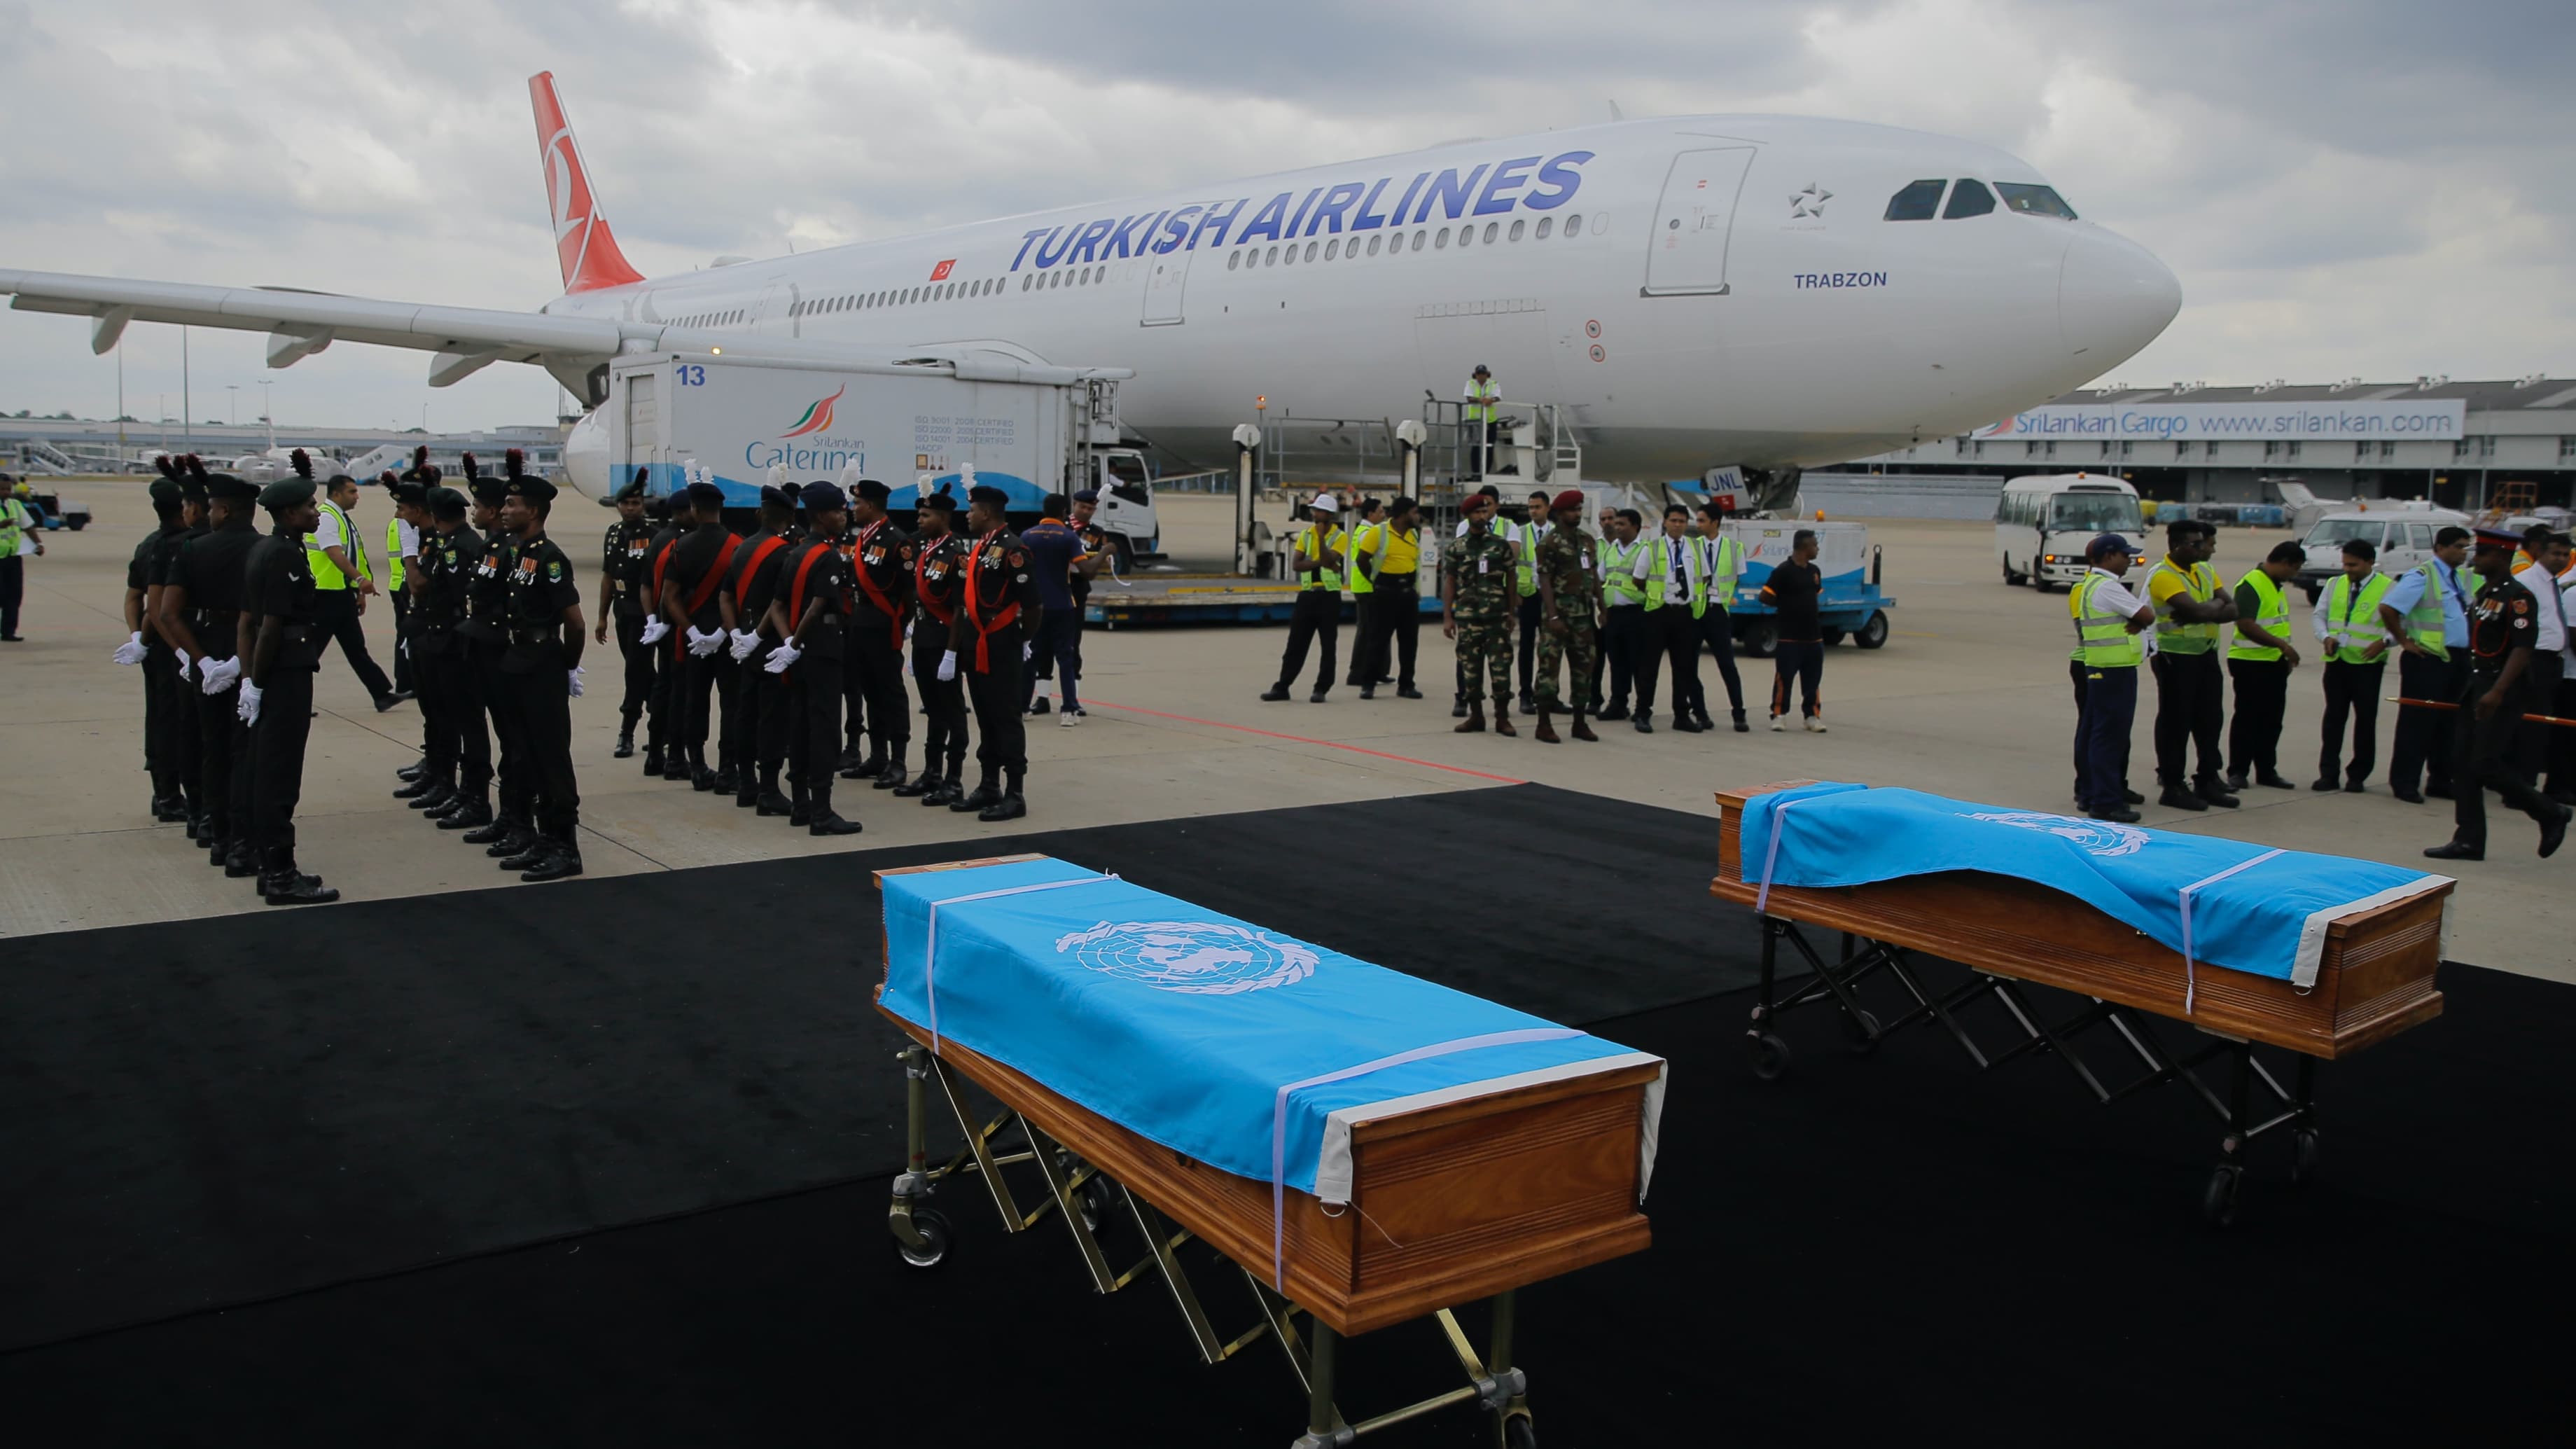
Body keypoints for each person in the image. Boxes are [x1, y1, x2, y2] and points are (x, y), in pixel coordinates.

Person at [2424, 529, 2570, 861]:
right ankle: (2469, 840)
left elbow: (2523, 648)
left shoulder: (2518, 596)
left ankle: (2550, 812)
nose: (2475, 559)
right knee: (2462, 763)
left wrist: (2498, 691)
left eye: (2483, 554)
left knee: (2485, 764)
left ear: (2502, 557)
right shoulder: (2486, 592)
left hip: (2503, 689)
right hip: (2477, 684)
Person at [238, 473, 337, 905]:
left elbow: (247, 622)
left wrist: (250, 680)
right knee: (279, 774)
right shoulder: (282, 555)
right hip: (285, 674)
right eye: (310, 507)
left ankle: (270, 866)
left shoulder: (269, 548)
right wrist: (258, 684)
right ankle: (280, 874)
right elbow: (268, 627)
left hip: (276, 673)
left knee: (268, 770)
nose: (316, 513)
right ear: (288, 513)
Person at [157, 467, 262, 873]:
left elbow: (168, 613)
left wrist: (201, 661)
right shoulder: (266, 549)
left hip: (207, 650)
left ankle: (217, 836)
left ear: (223, 511)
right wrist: (239, 664)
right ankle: (242, 842)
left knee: (212, 748)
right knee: (245, 753)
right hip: (249, 654)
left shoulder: (192, 549)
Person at [492, 464, 586, 881]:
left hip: (542, 663)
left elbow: (575, 624)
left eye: (511, 504)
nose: (504, 510)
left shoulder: (549, 557)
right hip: (519, 661)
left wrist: (566, 667)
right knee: (525, 754)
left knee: (551, 757)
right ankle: (541, 839)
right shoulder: (520, 553)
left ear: (532, 511)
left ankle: (565, 847)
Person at [764, 480, 864, 836]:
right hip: (822, 650)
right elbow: (818, 605)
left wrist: (789, 643)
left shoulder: (795, 553)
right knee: (824, 730)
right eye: (838, 511)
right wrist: (795, 641)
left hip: (800, 655)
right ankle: (821, 811)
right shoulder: (827, 556)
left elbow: (777, 607)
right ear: (821, 516)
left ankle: (800, 805)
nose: (844, 515)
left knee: (800, 726)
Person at [945, 483, 1043, 819]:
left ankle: (1015, 793)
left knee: (1006, 718)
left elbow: (1033, 605)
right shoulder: (984, 546)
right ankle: (989, 785)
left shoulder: (1014, 549)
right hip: (977, 641)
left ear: (986, 513)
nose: (967, 516)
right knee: (986, 716)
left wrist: (1022, 639)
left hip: (1000, 642)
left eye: (972, 510)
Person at [409, 484, 492, 832]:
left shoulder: (462, 547)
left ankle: (473, 795)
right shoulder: (450, 543)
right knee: (444, 715)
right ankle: (448, 783)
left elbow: (461, 599)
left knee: (466, 722)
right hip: (441, 640)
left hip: (455, 645)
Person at [2145, 520, 2239, 810]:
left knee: (2210, 720)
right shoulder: (2164, 575)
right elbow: (2196, 610)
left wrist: (2206, 611)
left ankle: (2207, 779)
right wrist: (2210, 608)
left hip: (2206, 654)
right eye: (2195, 544)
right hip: (2175, 657)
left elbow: (2233, 609)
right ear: (2175, 545)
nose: (2202, 548)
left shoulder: (2204, 570)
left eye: (2202, 543)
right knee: (2176, 723)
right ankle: (2173, 784)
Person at [2378, 525, 2473, 805]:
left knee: (2448, 724)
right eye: (2458, 546)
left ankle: (2440, 780)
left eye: (2466, 547)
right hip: (2427, 660)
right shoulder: (2422, 576)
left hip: (2455, 659)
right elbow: (2388, 608)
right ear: (2440, 548)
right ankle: (2404, 782)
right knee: (2417, 724)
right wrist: (2404, 640)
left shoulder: (2457, 578)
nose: (2463, 552)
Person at [119, 461, 193, 821]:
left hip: (157, 647)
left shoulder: (149, 544)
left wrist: (138, 639)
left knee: (161, 718)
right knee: (180, 722)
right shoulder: (182, 546)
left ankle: (164, 794)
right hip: (182, 646)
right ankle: (171, 797)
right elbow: (158, 609)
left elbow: (134, 599)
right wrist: (183, 651)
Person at [457, 468, 524, 854]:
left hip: (499, 650)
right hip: (481, 646)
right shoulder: (491, 546)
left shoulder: (509, 549)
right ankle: (502, 813)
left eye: (478, 506)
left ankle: (514, 817)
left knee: (511, 739)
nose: (474, 512)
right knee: (491, 730)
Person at [662, 478, 744, 793]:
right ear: (721, 509)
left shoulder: (680, 547)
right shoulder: (738, 545)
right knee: (731, 703)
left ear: (694, 509)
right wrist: (722, 632)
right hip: (729, 636)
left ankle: (697, 767)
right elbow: (740, 598)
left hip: (693, 638)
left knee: (694, 701)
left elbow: (670, 597)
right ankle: (728, 770)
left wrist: (693, 631)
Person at [833, 476, 917, 781]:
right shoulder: (864, 537)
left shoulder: (897, 540)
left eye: (857, 503)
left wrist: (900, 623)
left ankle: (898, 760)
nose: (853, 508)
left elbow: (909, 592)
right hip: (860, 622)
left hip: (883, 625)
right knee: (869, 691)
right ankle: (878, 756)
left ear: (870, 505)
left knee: (890, 692)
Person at [723, 478, 798, 812]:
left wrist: (736, 634)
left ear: (759, 514)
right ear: (790, 518)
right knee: (772, 717)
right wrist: (756, 635)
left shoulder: (741, 548)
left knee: (745, 714)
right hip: (770, 643)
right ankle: (768, 789)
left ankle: (746, 785)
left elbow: (725, 596)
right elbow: (778, 604)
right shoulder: (784, 553)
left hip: (745, 642)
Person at [305, 462, 405, 712]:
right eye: (352, 492)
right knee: (310, 651)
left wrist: (358, 592)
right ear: (336, 493)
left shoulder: (342, 518)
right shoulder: (327, 518)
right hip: (325, 595)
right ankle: (294, 698)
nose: (357, 496)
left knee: (355, 648)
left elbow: (353, 555)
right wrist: (360, 580)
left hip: (341, 594)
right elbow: (334, 553)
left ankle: (382, 694)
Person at [2070, 533, 2153, 823]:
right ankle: (2106, 802)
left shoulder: (2089, 585)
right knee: (2110, 738)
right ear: (2108, 556)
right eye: (2125, 555)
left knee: (2098, 734)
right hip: (2114, 671)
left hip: (2101, 667)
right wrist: (2138, 620)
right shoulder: (2107, 586)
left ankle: (2094, 793)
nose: (2129, 560)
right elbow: (2147, 615)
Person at [898, 491, 974, 805]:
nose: (920, 520)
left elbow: (960, 610)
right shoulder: (927, 550)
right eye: (920, 515)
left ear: (943, 518)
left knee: (952, 711)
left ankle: (953, 779)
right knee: (933, 709)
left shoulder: (956, 555)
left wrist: (952, 654)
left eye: (926, 516)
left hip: (944, 642)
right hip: (924, 639)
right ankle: (932, 772)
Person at [2222, 540, 2307, 793]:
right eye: (2295, 569)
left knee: (2272, 721)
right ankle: (2238, 771)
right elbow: (2246, 624)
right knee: (2247, 719)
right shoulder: (2252, 583)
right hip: (2250, 662)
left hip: (2273, 663)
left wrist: (2282, 656)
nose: (2295, 575)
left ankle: (2267, 770)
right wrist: (2283, 646)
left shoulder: (2274, 586)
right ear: (2285, 563)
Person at [2312, 538, 2391, 792]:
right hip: (2337, 662)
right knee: (2333, 720)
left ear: (2370, 562)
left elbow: (2403, 624)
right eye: (2345, 564)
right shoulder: (2335, 584)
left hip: (2368, 664)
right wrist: (2325, 636)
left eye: (2353, 565)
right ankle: (2328, 773)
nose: (2348, 569)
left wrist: (2385, 642)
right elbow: (2319, 615)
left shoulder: (2388, 587)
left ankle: (2357, 775)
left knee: (2365, 721)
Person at [1442, 490, 1517, 736]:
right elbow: (1450, 582)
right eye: (1478, 512)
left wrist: (1511, 611)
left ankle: (1502, 718)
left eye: (1485, 511)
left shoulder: (1499, 545)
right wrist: (1448, 616)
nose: (1482, 516)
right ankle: (1476, 716)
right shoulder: (1457, 547)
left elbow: (1511, 578)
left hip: (1496, 617)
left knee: (1501, 669)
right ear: (1468, 516)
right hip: (1468, 617)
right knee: (1470, 670)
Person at [1627, 504, 1706, 734]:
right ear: (1665, 522)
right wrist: (1656, 595)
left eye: (1682, 521)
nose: (1677, 525)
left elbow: (1704, 577)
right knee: (1649, 666)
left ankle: (1681, 715)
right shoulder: (1652, 548)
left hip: (1685, 613)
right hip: (1658, 612)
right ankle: (1643, 713)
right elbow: (1638, 579)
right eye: (1673, 521)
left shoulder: (1695, 547)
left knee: (1684, 667)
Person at [1531, 489, 1601, 744]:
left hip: (1583, 617)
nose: (1577, 514)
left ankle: (1579, 723)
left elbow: (1594, 575)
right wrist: (1552, 616)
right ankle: (1543, 724)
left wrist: (1603, 607)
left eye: (1580, 509)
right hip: (1558, 617)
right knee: (1549, 670)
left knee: (1584, 670)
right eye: (1572, 510)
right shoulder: (1549, 543)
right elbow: (1545, 580)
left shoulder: (1587, 541)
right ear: (1560, 513)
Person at [595, 469, 657, 758]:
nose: (631, 508)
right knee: (643, 671)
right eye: (626, 504)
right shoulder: (613, 533)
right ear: (618, 505)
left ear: (643, 505)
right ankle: (663, 720)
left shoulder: (653, 536)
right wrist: (602, 616)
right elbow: (608, 576)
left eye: (636, 503)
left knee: (635, 671)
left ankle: (627, 731)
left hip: (644, 613)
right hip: (622, 611)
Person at [1263, 494, 1346, 702]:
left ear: (1329, 514)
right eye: (1315, 510)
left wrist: (1321, 540)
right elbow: (1297, 565)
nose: (1314, 514)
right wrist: (1323, 563)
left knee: (1328, 646)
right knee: (1295, 644)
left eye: (1319, 511)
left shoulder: (1340, 536)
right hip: (1307, 596)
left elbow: (1329, 559)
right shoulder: (1305, 535)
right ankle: (1283, 686)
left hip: (1329, 596)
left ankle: (1321, 688)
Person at [1019, 492, 1090, 726]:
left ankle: (1023, 707)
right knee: (1065, 658)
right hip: (1062, 605)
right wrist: (1105, 553)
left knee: (1031, 657)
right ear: (1064, 512)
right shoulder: (1069, 537)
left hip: (1035, 605)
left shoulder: (1027, 536)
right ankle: (1068, 710)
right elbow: (1085, 570)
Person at [2511, 531, 2570, 789]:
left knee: (2543, 725)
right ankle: (2521, 785)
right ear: (2540, 553)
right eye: (2555, 553)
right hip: (2533, 660)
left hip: (2553, 661)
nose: (2561, 559)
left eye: (2566, 555)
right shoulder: (2527, 581)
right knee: (2531, 725)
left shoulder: (2553, 582)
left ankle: (2528, 781)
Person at [637, 490, 688, 779]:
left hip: (662, 626)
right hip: (679, 627)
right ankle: (675, 756)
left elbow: (645, 585)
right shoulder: (680, 541)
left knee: (663, 688)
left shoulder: (658, 538)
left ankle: (655, 753)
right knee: (679, 691)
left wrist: (652, 619)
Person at [1687, 502, 1749, 732]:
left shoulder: (1734, 548)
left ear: (1715, 522)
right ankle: (1700, 713)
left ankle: (1739, 713)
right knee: (1689, 665)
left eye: (1702, 520)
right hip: (1696, 611)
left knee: (1727, 665)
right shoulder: (1692, 547)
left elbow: (1737, 578)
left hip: (1718, 611)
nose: (1698, 525)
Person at [1357, 497, 1423, 700]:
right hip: (1385, 592)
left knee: (1409, 642)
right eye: (1414, 512)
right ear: (1403, 515)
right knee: (1378, 640)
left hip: (1408, 593)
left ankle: (1406, 685)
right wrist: (1374, 581)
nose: (1418, 517)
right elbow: (1362, 560)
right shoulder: (1378, 532)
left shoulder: (1413, 534)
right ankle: (1368, 684)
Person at [1763, 529, 1828, 733]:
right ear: (1804, 547)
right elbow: (1765, 596)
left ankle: (1811, 716)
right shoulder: (1783, 571)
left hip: (1813, 637)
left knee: (1813, 680)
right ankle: (1779, 714)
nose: (1817, 549)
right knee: (1785, 677)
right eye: (1815, 545)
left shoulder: (1814, 571)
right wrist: (1785, 606)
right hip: (1789, 637)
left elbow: (1815, 595)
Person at [1595, 510, 1650, 722]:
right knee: (1616, 661)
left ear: (1635, 526)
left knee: (1638, 662)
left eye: (1621, 524)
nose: (1616, 527)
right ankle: (1618, 703)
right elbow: (1600, 580)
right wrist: (1602, 610)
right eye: (1616, 523)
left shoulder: (1645, 549)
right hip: (1613, 613)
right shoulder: (1611, 550)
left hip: (1636, 613)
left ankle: (1642, 707)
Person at [384, 454, 429, 700]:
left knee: (405, 634)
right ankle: (407, 682)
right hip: (407, 584)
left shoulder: (400, 522)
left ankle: (405, 681)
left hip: (399, 582)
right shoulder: (408, 523)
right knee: (408, 635)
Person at [1342, 497, 1386, 691]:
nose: (1384, 515)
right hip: (1367, 588)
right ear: (1371, 514)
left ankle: (1378, 671)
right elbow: (1367, 561)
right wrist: (1376, 580)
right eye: (1381, 511)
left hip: (1366, 587)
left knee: (1377, 631)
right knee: (1366, 632)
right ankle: (1357, 673)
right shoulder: (1367, 534)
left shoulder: (1365, 531)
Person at [1513, 489, 1549, 713]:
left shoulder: (1556, 532)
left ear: (1547, 508)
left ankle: (1547, 693)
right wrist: (1515, 594)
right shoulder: (1520, 533)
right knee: (1526, 647)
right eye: (1530, 508)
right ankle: (1525, 695)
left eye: (1537, 507)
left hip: (1550, 598)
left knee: (1549, 648)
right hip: (1527, 596)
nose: (1533, 511)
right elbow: (1512, 565)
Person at [0, 474, 39, 641]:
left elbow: (28, 526)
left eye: (8, 489)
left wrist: (38, 543)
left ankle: (8, 632)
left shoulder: (15, 505)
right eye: (2, 489)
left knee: (14, 596)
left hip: (14, 557)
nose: (6, 492)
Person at [1463, 364, 1499, 479]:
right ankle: (1476, 473)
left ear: (1487, 374)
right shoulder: (1471, 383)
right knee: (1475, 447)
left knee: (1489, 447)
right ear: (1476, 375)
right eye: (1479, 373)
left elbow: (1498, 397)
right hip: (1475, 421)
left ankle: (1486, 473)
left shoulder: (1493, 384)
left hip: (1490, 420)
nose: (1481, 376)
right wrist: (1481, 400)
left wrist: (1491, 400)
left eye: (1483, 373)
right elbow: (1469, 398)